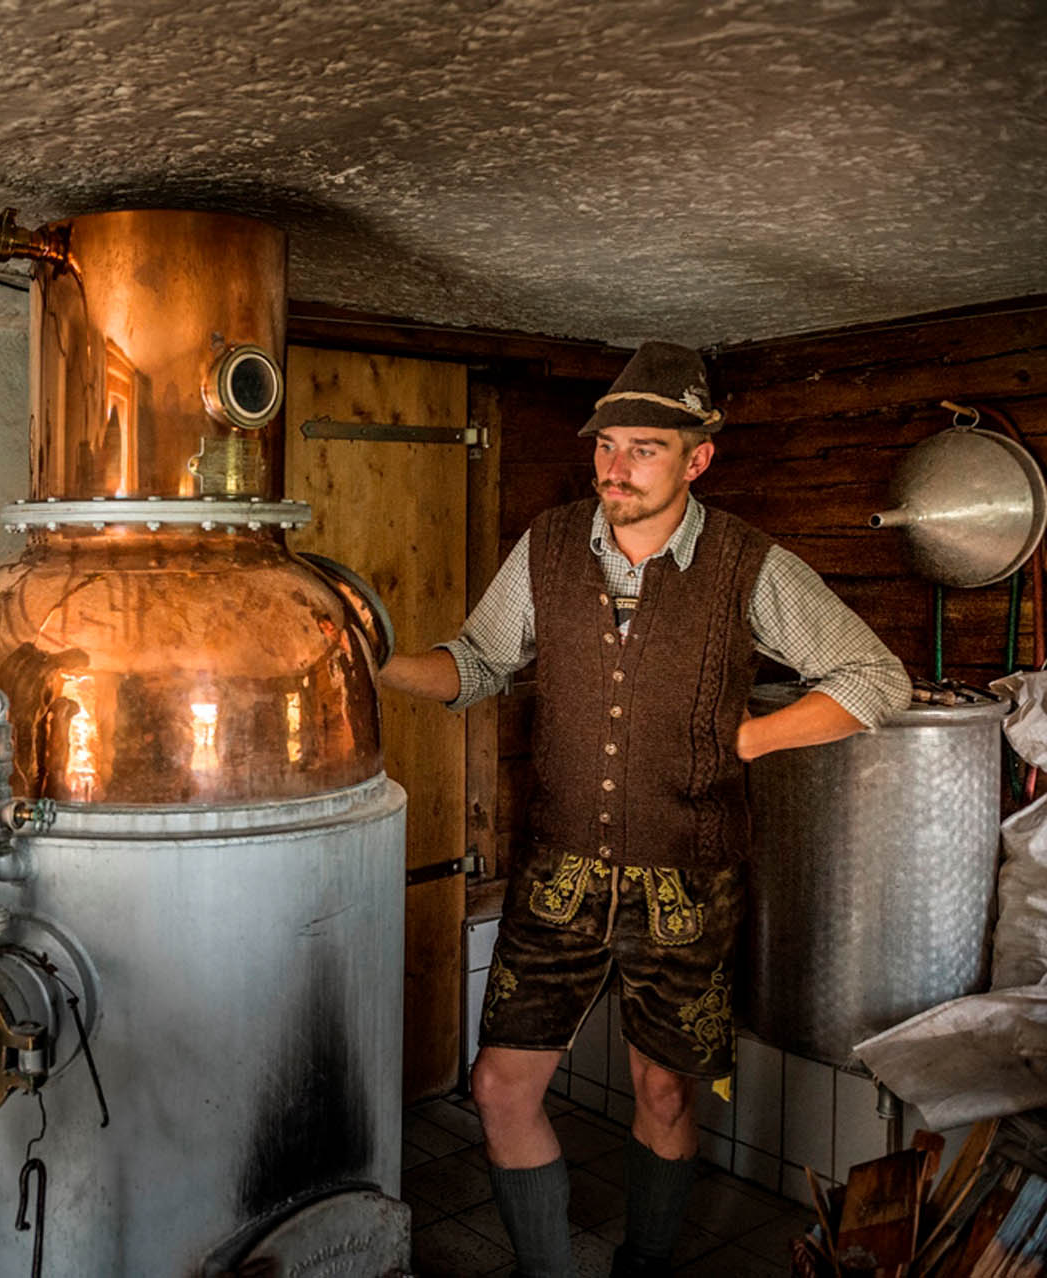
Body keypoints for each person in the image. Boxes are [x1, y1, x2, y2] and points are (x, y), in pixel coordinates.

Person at [377, 341, 910, 1278]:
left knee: (664, 1093)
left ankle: (648, 1266)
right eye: (607, 445)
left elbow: (877, 679)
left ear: (698, 458)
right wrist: (375, 663)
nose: (614, 467)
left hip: (688, 883)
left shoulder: (749, 563)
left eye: (643, 450)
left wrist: (745, 739)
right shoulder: (547, 543)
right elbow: (476, 663)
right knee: (501, 1088)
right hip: (558, 876)